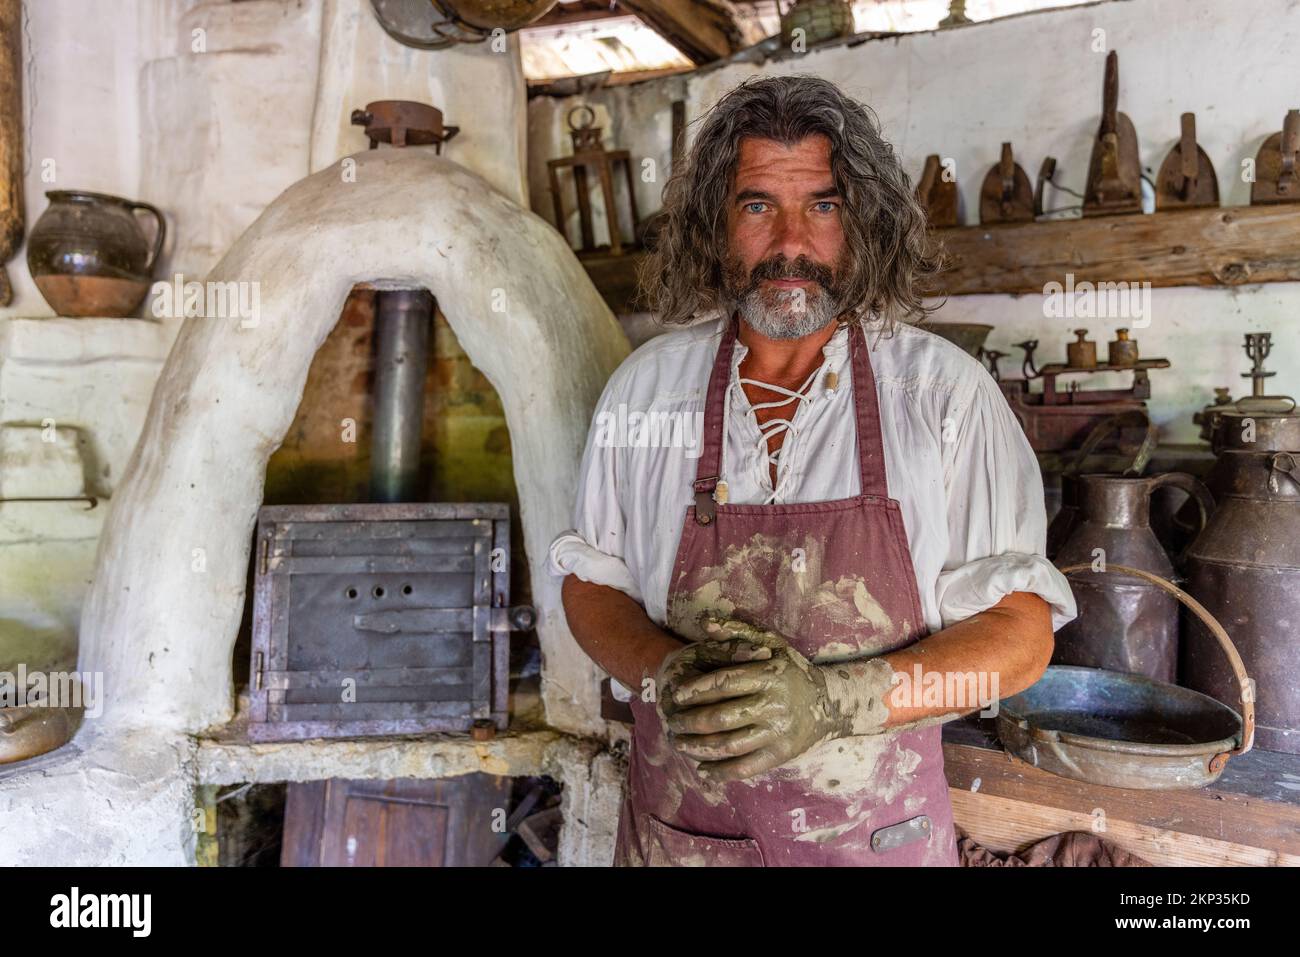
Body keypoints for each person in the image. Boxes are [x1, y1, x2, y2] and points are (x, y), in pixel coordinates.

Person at [547, 75, 1076, 867]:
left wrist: (835, 702)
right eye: (758, 205)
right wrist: (667, 672)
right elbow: (592, 584)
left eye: (823, 206)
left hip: (878, 845)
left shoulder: (942, 396)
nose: (791, 241)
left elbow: (1022, 638)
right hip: (686, 842)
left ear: (861, 225)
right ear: (715, 227)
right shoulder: (647, 390)